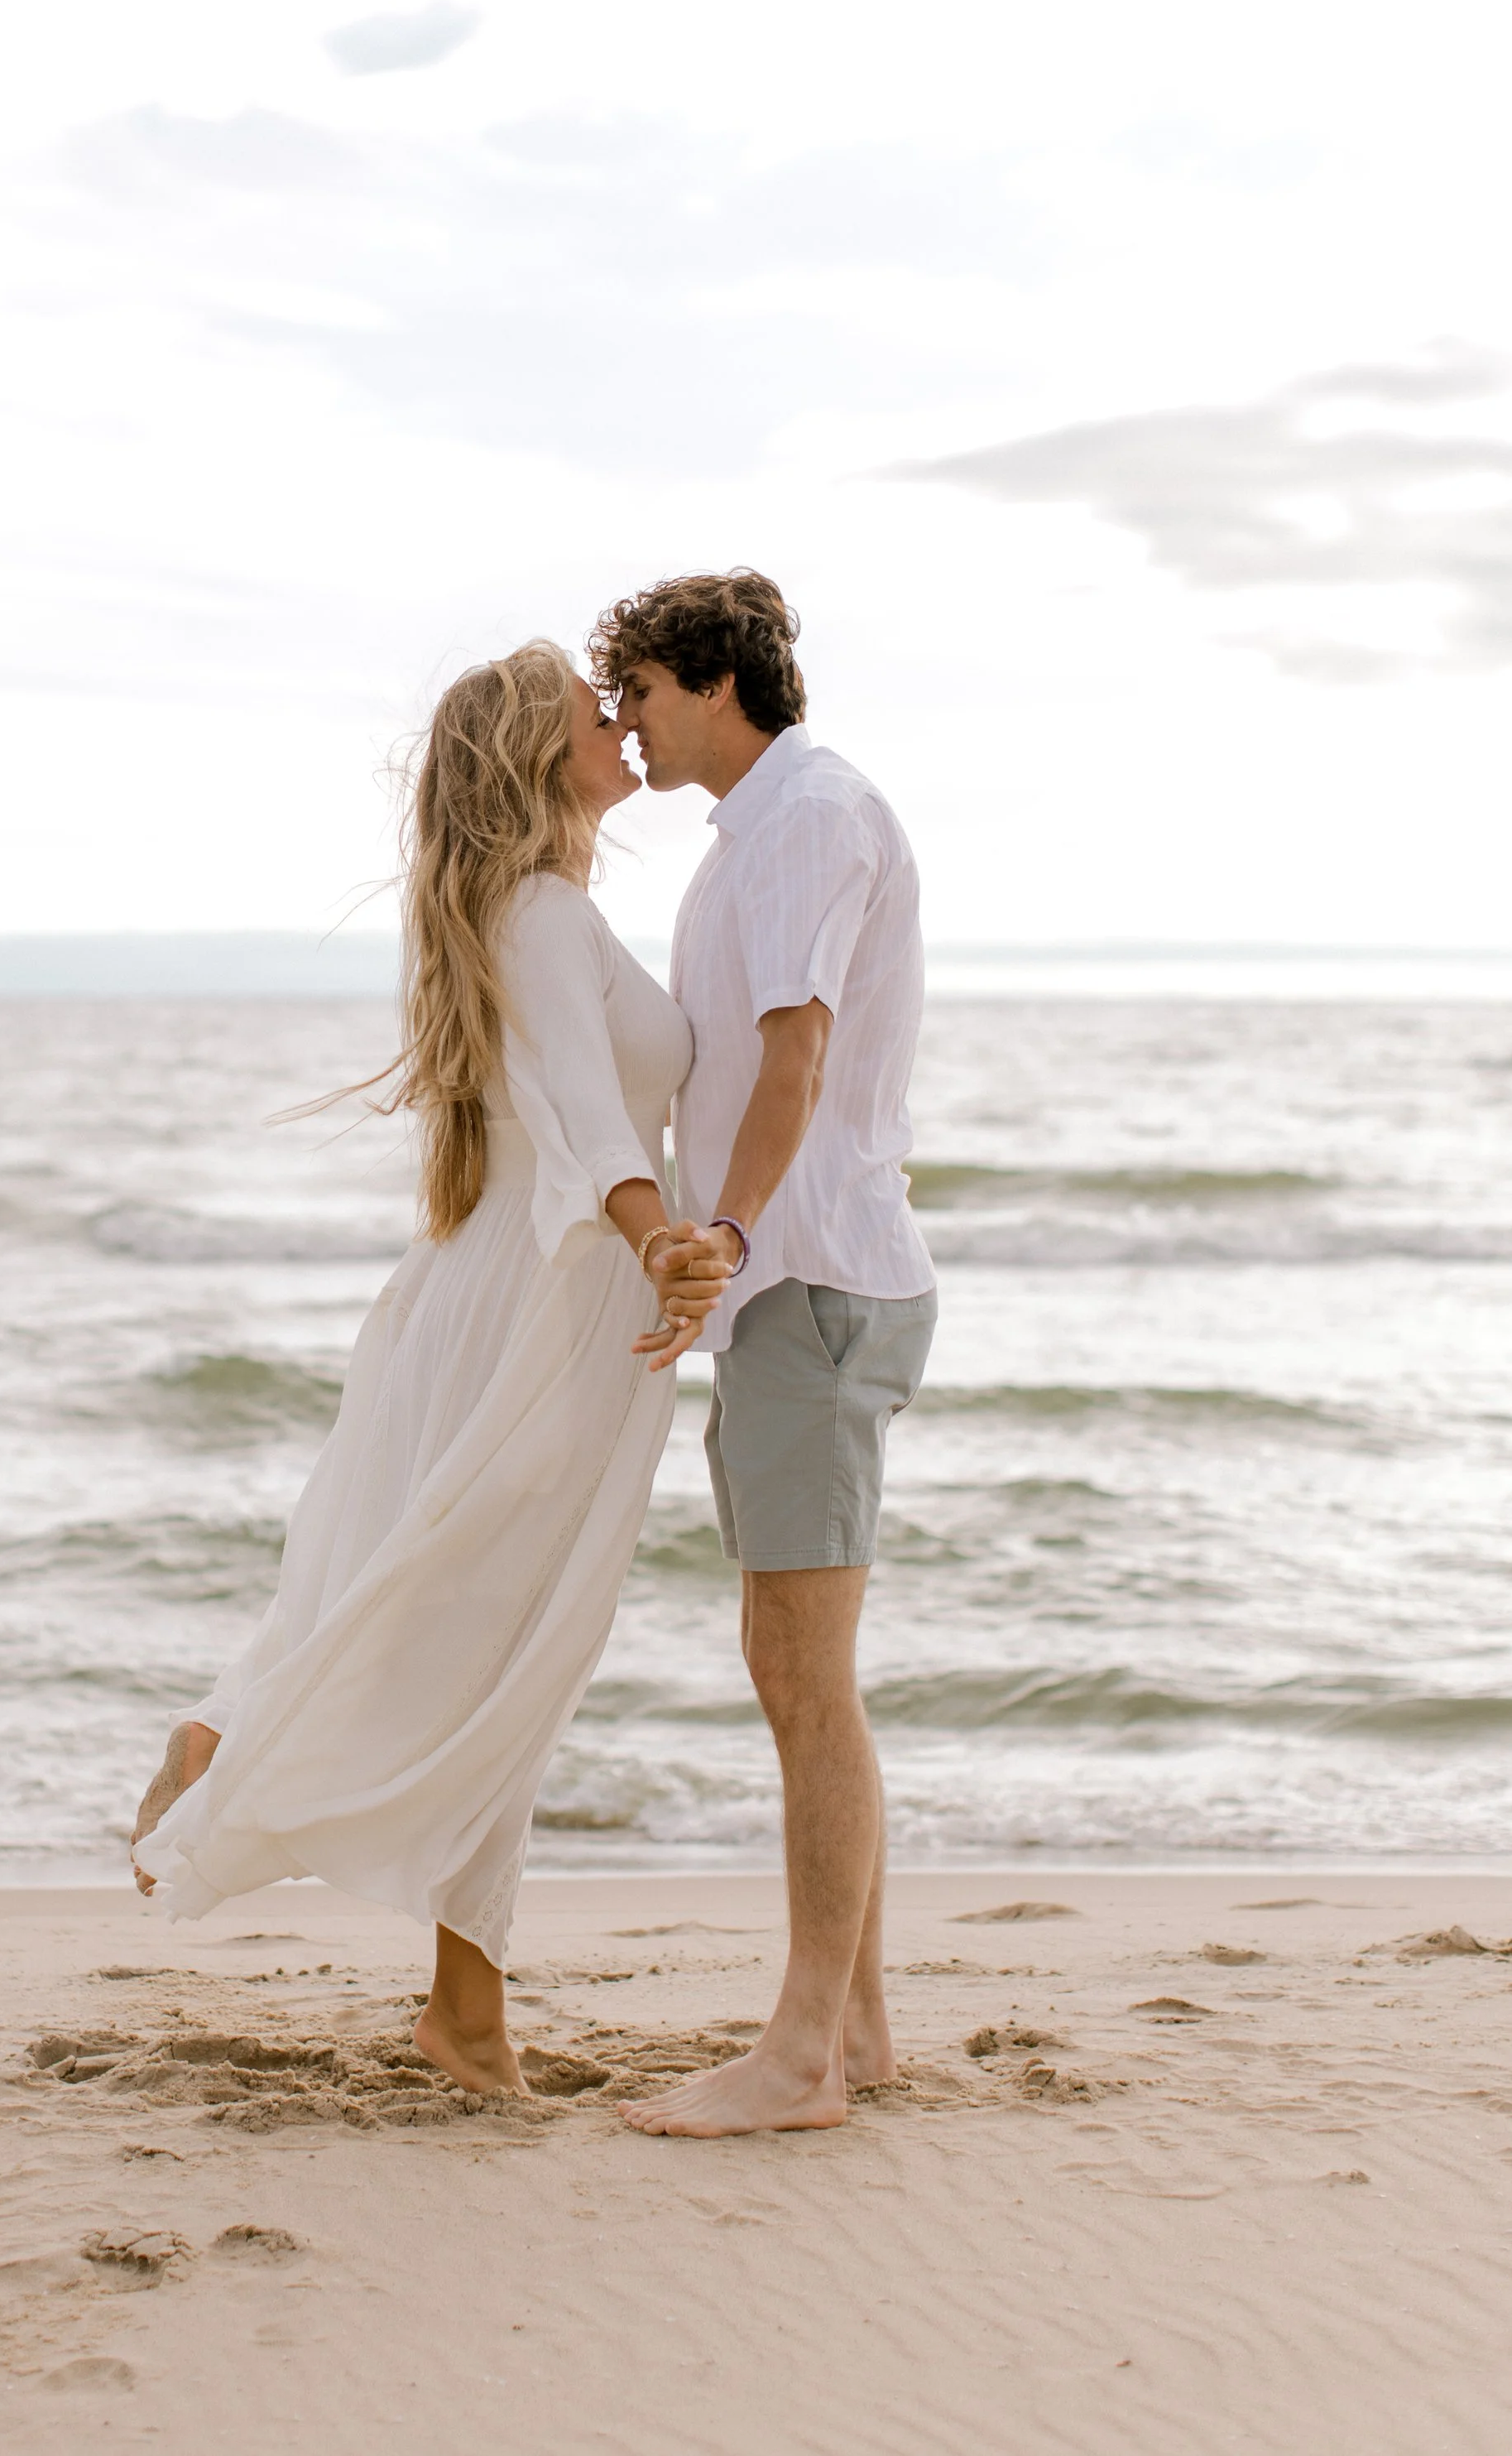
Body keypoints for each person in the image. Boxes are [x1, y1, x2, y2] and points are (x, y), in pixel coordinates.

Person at [128, 640, 732, 2098]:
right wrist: (661, 1239)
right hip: (549, 1303)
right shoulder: (532, 909)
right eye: (598, 713)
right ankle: (262, 1775)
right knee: (497, 1646)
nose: (621, 724)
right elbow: (592, 1120)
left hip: (537, 1295)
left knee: (501, 1647)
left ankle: (458, 2002)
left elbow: (579, 1109)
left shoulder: (546, 910)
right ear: (541, 757)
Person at [588, 570, 938, 2137]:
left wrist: (723, 1236)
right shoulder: (753, 835)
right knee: (792, 1668)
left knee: (805, 1672)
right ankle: (853, 2030)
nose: (631, 726)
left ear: (716, 681)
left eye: (644, 694)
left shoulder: (806, 818)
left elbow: (795, 1057)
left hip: (807, 1278)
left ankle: (799, 2055)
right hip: (784, 1286)